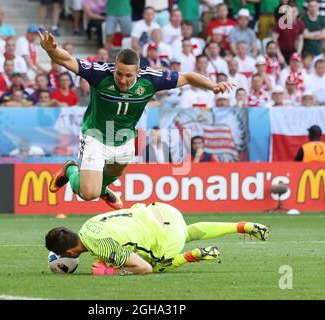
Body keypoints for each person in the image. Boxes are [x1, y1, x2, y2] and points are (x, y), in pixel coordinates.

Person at [39, 30, 235, 209]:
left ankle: (104, 189)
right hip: (95, 136)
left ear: (138, 73)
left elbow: (189, 77)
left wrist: (213, 86)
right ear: (114, 67)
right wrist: (51, 50)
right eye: (119, 74)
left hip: (124, 139)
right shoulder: (99, 74)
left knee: (114, 173)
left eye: (128, 76)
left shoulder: (151, 79)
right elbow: (67, 61)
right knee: (88, 193)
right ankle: (70, 169)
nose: (123, 80)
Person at [45, 202, 269, 275]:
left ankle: (193, 256)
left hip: (167, 239)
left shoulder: (100, 246)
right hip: (164, 210)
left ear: (71, 253)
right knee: (188, 231)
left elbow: (143, 268)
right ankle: (243, 226)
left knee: (155, 265)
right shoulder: (88, 224)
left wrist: (112, 271)